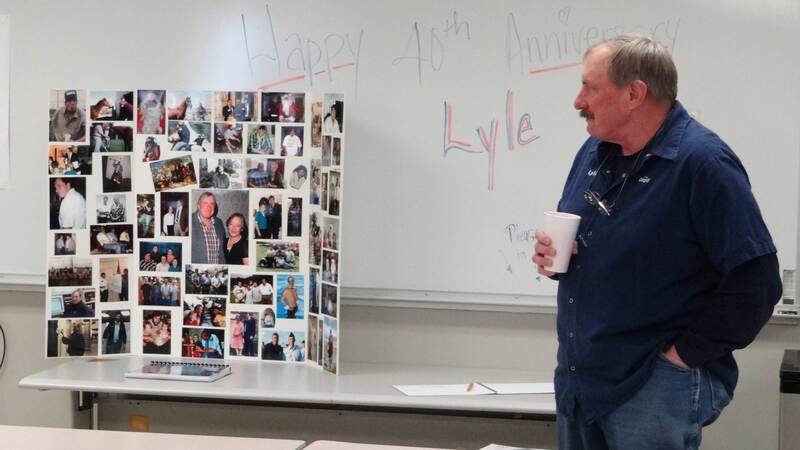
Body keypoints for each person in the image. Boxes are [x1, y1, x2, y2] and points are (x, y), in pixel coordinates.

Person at [529, 35, 782, 450]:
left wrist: (676, 362)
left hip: (650, 386)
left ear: (634, 93)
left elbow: (757, 285)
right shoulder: (594, 152)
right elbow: (595, 244)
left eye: (590, 87)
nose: (578, 101)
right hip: (581, 380)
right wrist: (556, 255)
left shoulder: (703, 164)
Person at [191, 192, 227, 264]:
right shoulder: (189, 221)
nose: (209, 207)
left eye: (212, 204)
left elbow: (222, 253)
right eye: (205, 203)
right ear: (198, 205)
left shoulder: (219, 223)